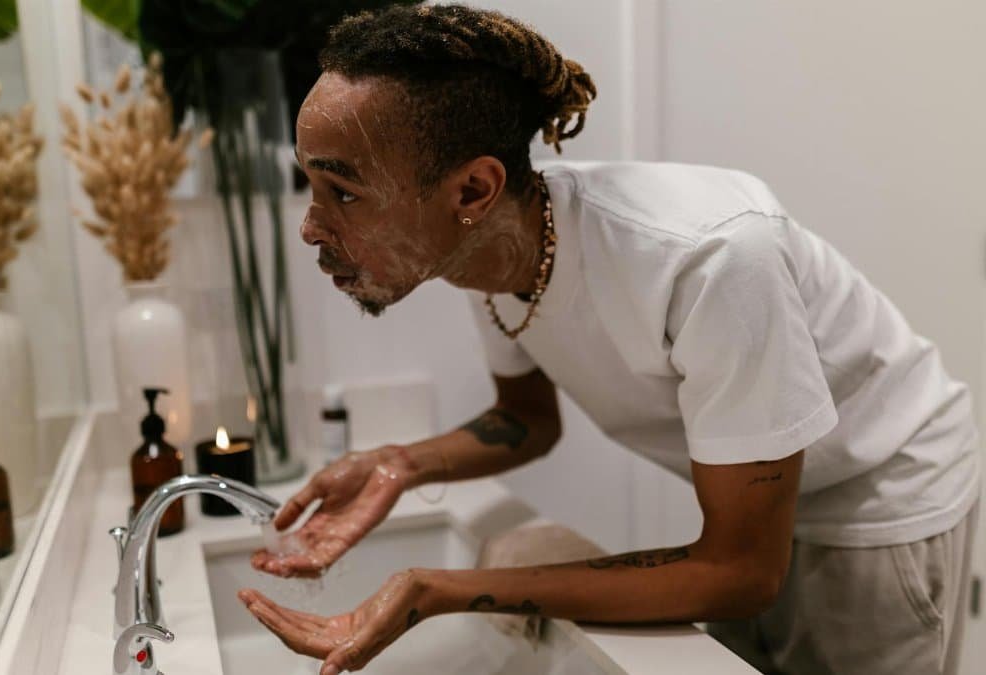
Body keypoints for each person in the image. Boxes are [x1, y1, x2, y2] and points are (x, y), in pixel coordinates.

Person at [237, 4, 982, 675]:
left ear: (472, 190)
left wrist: (440, 589)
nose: (311, 226)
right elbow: (526, 419)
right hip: (755, 519)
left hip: (878, 492)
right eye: (311, 184)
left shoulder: (710, 256)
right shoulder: (483, 249)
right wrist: (399, 462)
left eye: (344, 192)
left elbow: (742, 571)